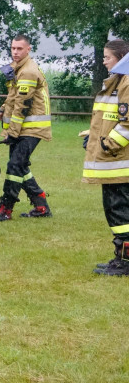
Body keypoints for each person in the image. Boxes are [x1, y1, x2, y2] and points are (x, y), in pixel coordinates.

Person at [0, 33, 52, 221]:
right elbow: (14, 97)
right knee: (20, 165)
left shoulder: (28, 71)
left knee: (15, 166)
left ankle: (6, 208)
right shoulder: (19, 69)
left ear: (28, 49)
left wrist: (12, 133)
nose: (15, 52)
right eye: (13, 48)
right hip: (23, 128)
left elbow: (23, 105)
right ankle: (41, 205)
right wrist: (2, 108)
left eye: (19, 49)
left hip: (31, 129)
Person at [84, 40, 129, 276]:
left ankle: (125, 262)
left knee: (120, 212)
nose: (103, 61)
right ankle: (120, 257)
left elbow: (127, 124)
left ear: (121, 57)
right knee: (117, 210)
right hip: (115, 160)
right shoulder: (118, 80)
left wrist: (107, 144)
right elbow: (109, 118)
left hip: (119, 161)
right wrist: (92, 136)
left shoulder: (126, 81)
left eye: (107, 57)